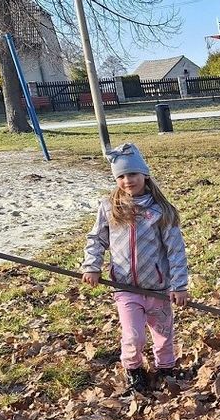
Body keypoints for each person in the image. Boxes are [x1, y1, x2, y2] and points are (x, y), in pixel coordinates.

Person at [82, 143, 190, 391]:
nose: (127, 180)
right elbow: (96, 239)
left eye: (132, 174)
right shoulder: (110, 208)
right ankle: (134, 370)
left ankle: (166, 369)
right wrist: (92, 266)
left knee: (163, 334)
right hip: (126, 288)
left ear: (145, 174)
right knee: (133, 336)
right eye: (120, 176)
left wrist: (179, 286)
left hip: (158, 289)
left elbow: (175, 251)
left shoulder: (161, 211)